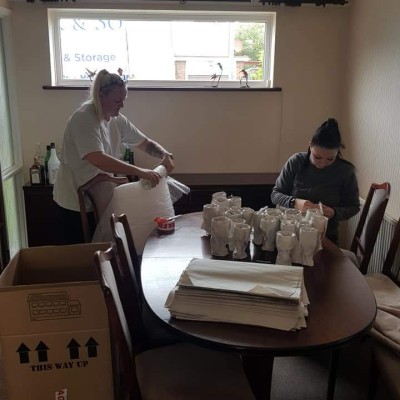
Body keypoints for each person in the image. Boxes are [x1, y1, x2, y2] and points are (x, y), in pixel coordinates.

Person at [53, 69, 175, 244]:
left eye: (124, 99)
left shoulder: (117, 120)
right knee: (83, 252)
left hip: (101, 194)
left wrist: (165, 154)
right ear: (101, 96)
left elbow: (145, 143)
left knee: (105, 245)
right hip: (74, 199)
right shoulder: (84, 119)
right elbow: (98, 159)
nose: (122, 105)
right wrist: (142, 172)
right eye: (117, 100)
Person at [271, 118, 360, 244]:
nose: (322, 164)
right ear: (310, 146)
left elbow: (353, 206)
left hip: (325, 237)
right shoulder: (296, 162)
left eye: (330, 159)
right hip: (290, 233)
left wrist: (334, 213)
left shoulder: (345, 171)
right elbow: (275, 195)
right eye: (317, 157)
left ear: (337, 153)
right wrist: (294, 202)